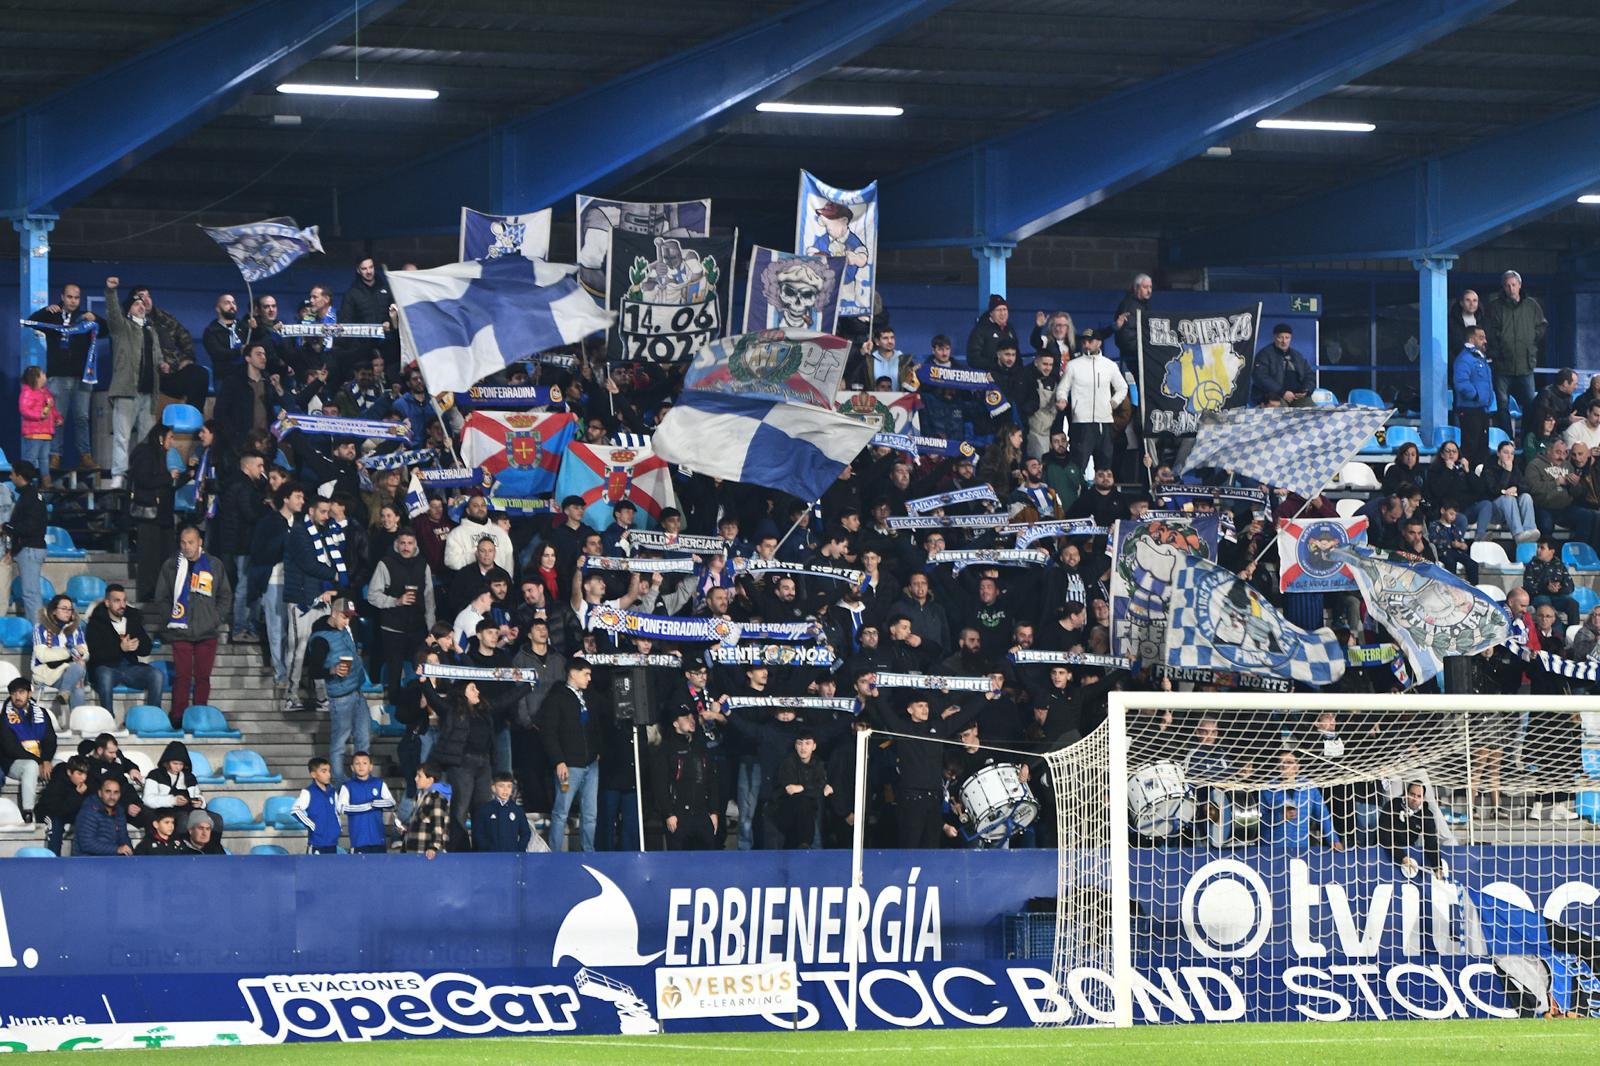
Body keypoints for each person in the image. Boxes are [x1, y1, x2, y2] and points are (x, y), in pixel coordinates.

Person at [155, 525, 234, 725]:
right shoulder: (171, 565)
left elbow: (225, 595)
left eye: (191, 542)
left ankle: (199, 716)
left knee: (202, 677)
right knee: (182, 677)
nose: (187, 546)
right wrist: (171, 618)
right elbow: (161, 597)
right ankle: (178, 716)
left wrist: (215, 618)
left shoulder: (214, 565)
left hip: (207, 632)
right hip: (180, 632)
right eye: (183, 542)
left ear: (200, 542)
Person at [27, 281, 98, 473]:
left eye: (76, 297)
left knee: (82, 418)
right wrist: (46, 311)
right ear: (62, 297)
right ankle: (55, 456)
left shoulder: (85, 319)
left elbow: (106, 330)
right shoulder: (53, 317)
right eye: (69, 297)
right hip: (57, 376)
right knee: (58, 419)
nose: (73, 301)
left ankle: (86, 456)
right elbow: (32, 320)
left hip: (82, 378)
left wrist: (96, 318)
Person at [102, 277, 161, 488]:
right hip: (126, 391)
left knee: (147, 441)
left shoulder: (151, 331)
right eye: (137, 304)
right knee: (122, 437)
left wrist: (163, 365)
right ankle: (119, 475)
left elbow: (158, 357)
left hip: (148, 394)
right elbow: (112, 311)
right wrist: (111, 292)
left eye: (143, 304)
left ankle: (142, 477)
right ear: (128, 310)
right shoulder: (121, 328)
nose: (141, 307)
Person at [366, 530, 437, 703]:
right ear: (397, 544)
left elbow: (429, 599)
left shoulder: (423, 565)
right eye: (403, 543)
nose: (406, 547)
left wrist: (431, 629)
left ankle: (420, 711)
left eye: (410, 543)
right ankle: (395, 713)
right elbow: (372, 595)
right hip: (393, 628)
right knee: (394, 674)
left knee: (422, 672)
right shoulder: (386, 563)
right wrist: (396, 601)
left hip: (418, 628)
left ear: (416, 545)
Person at [542, 658, 603, 852]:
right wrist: (558, 760)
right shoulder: (557, 697)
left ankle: (589, 852)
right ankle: (556, 854)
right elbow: (548, 732)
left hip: (591, 764)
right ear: (572, 673)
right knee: (561, 812)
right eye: (586, 674)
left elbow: (596, 726)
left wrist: (597, 751)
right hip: (569, 765)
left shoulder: (589, 697)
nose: (589, 679)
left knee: (591, 813)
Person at [310, 597, 369, 783]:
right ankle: (339, 782)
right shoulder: (320, 638)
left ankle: (362, 779)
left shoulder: (344, 630)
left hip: (358, 692)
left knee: (364, 738)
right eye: (344, 617)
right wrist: (333, 670)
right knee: (339, 743)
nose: (347, 622)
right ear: (334, 614)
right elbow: (313, 670)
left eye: (350, 618)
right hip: (341, 697)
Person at [1054, 326, 1127, 474]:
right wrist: (1062, 399)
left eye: (1090, 341)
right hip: (1081, 422)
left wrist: (1113, 402)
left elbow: (1122, 387)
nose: (1086, 344)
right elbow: (1062, 388)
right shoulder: (1073, 365)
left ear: (1099, 343)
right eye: (1084, 341)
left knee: (1105, 466)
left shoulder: (1110, 365)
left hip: (1104, 422)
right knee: (1078, 466)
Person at [1483, 269, 1546, 435]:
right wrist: (1498, 351)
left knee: (1530, 404)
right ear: (1503, 287)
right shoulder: (1494, 307)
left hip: (1526, 364)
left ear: (1520, 285)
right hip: (1502, 366)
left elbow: (1542, 326)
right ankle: (1506, 439)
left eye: (1513, 285)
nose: (1511, 288)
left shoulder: (1531, 305)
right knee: (1502, 405)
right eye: (1507, 285)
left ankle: (1526, 438)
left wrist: (1531, 343)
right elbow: (1488, 332)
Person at [86, 584, 164, 712]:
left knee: (156, 675)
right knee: (104, 675)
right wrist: (120, 648)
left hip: (130, 668)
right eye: (117, 601)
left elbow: (147, 648)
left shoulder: (132, 620)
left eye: (124, 600)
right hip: (107, 667)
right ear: (107, 603)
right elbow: (95, 655)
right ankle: (108, 719)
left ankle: (153, 716)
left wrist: (138, 646)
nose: (122, 605)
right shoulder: (96, 623)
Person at [653, 702, 720, 851]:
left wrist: (714, 811)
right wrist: (669, 813)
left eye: (692, 716)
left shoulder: (701, 747)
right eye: (685, 717)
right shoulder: (666, 749)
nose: (691, 720)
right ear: (675, 723)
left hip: (702, 814)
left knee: (706, 860)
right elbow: (660, 785)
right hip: (679, 815)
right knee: (678, 864)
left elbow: (712, 780)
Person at [129, 424, 178, 603]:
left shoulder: (160, 455)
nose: (172, 442)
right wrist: (168, 477)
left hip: (163, 517)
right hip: (149, 516)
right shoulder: (145, 453)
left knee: (165, 557)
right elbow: (144, 479)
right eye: (170, 437)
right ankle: (148, 595)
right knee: (149, 559)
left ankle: (163, 593)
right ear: (161, 437)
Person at [1258, 751, 1344, 852]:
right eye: (1281, 762)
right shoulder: (1268, 788)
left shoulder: (1310, 788)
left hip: (1301, 847)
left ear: (1297, 766)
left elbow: (1323, 816)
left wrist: (1333, 839)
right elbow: (1260, 820)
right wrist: (1280, 817)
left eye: (1289, 762)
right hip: (1272, 848)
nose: (1284, 765)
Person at [1, 677, 56, 823]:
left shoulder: (41, 713)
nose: (17, 696)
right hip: (14, 762)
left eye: (21, 692)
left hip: (40, 759)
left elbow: (50, 739)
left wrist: (46, 759)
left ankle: (52, 813)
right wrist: (39, 761)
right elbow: (10, 748)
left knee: (63, 768)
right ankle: (28, 812)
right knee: (31, 766)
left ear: (29, 694)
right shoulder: (4, 718)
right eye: (13, 693)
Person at [4, 461, 49, 628]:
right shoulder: (30, 495)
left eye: (13, 474)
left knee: (31, 594)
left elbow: (31, 527)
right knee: (30, 593)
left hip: (31, 549)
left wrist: (7, 527)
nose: (10, 477)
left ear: (20, 477)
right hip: (30, 548)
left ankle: (39, 632)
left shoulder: (30, 497)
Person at [31, 595, 91, 712]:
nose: (68, 612)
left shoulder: (76, 629)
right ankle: (77, 728)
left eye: (70, 609)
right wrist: (70, 652)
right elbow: (43, 656)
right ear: (54, 611)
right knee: (78, 677)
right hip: (48, 673)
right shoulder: (40, 629)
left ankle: (65, 693)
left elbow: (86, 654)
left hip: (70, 672)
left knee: (77, 680)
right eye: (64, 609)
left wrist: (81, 653)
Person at [773, 730, 831, 850]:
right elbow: (792, 791)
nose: (803, 747)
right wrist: (816, 789)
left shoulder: (818, 763)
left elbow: (820, 785)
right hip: (786, 811)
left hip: (810, 813)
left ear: (814, 746)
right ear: (795, 746)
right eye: (799, 743)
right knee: (802, 802)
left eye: (807, 743)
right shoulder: (788, 762)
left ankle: (807, 846)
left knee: (809, 806)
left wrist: (803, 787)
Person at [1378, 781, 1443, 878]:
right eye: (1412, 794)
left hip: (1409, 852)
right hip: (1385, 852)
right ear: (1406, 794)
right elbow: (1384, 837)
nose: (1415, 799)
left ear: (1423, 799)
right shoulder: (1392, 806)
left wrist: (1438, 867)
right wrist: (1402, 857)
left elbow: (1431, 843)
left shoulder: (1426, 814)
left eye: (1418, 796)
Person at [336, 750, 395, 854]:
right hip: (359, 840)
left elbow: (391, 802)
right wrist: (366, 806)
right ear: (352, 768)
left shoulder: (379, 783)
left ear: (371, 767)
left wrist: (374, 804)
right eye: (357, 763)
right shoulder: (347, 786)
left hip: (378, 838)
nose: (361, 766)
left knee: (380, 869)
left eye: (364, 763)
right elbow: (341, 807)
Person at [1452, 325, 1494, 468]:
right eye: (1481, 337)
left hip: (1482, 409)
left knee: (1482, 448)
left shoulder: (1479, 358)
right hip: (1470, 410)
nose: (1485, 341)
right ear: (1471, 339)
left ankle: (1479, 479)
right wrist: (1476, 396)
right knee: (1471, 447)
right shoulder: (1465, 359)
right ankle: (1467, 478)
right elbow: (1461, 382)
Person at [36, 755, 91, 854]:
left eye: (85, 774)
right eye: (79, 774)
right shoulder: (57, 783)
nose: (83, 778)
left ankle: (80, 857)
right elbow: (58, 810)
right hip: (48, 812)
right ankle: (53, 858)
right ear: (69, 772)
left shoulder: (84, 785)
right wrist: (77, 795)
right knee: (55, 822)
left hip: (67, 812)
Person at [1251, 323, 1314, 407]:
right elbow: (1260, 377)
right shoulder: (1264, 354)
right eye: (1280, 337)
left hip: (1297, 397)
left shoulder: (1297, 355)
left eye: (1287, 338)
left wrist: (1306, 390)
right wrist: (1282, 392)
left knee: (1311, 411)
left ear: (1290, 338)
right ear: (1274, 337)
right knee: (1280, 413)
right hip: (1273, 396)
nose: (1284, 341)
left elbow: (1309, 375)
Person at [18, 366, 61, 482]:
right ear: (36, 377)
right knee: (30, 458)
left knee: (44, 459)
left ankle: (46, 481)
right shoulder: (27, 392)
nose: (45, 376)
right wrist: (39, 415)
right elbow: (24, 409)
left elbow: (52, 408)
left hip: (46, 433)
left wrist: (58, 417)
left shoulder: (46, 392)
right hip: (33, 433)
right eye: (43, 374)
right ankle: (26, 480)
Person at [291, 757, 343, 854]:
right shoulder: (308, 792)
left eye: (329, 771)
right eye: (324, 771)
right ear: (313, 774)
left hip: (333, 843)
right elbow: (295, 810)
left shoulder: (332, 792)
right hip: (317, 844)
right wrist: (313, 826)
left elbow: (336, 812)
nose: (328, 774)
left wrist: (338, 827)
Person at [1524, 539, 1581, 624]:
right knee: (1545, 604)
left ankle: (1573, 631)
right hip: (1539, 597)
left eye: (1542, 548)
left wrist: (1559, 588)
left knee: (1573, 604)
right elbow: (1528, 587)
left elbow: (1570, 586)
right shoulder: (1531, 565)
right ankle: (1558, 632)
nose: (1538, 550)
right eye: (1538, 547)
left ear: (1551, 551)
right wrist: (1546, 588)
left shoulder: (1559, 565)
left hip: (1558, 597)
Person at [403, 762, 451, 858]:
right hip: (415, 851)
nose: (415, 778)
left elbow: (438, 825)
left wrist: (434, 847)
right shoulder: (420, 797)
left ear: (430, 780)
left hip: (427, 854)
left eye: (419, 776)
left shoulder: (436, 798)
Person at [73, 778, 133, 856]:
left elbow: (124, 837)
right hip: (88, 861)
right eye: (108, 792)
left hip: (112, 859)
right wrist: (117, 849)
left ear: (119, 795)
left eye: (116, 792)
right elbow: (87, 844)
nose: (112, 796)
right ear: (100, 793)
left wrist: (130, 851)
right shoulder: (88, 810)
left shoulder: (119, 811)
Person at [474, 772, 532, 852]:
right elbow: (479, 833)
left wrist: (519, 849)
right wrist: (487, 849)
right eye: (501, 786)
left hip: (512, 856)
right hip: (491, 856)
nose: (505, 790)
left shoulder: (517, 810)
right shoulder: (485, 810)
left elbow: (525, 833)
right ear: (493, 788)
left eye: (509, 786)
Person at [966, 294, 1019, 373]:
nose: (1002, 313)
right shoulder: (981, 329)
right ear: (991, 313)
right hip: (987, 377)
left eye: (1004, 309)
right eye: (998, 310)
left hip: (1009, 377)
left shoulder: (1010, 329)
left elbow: (1017, 354)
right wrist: (996, 365)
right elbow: (973, 358)